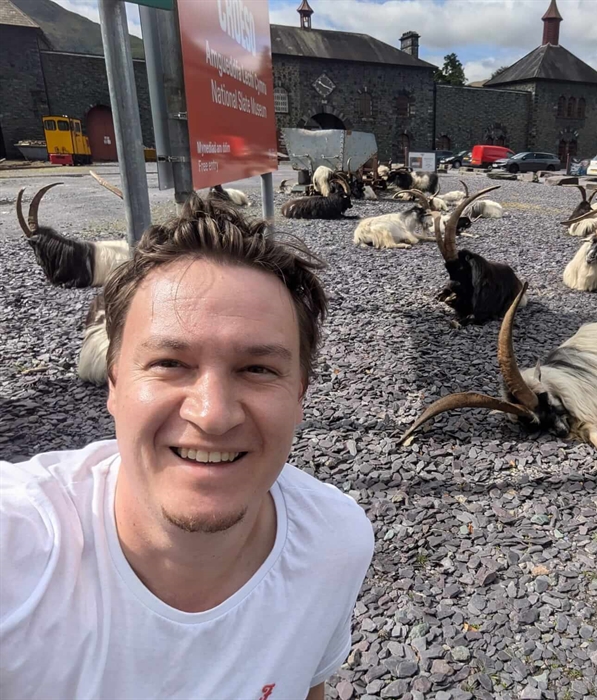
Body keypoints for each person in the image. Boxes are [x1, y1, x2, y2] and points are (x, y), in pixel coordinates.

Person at [0, 195, 375, 700]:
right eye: (170, 363)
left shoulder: (336, 543)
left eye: (258, 369)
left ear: (301, 395)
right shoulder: (20, 548)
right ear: (113, 383)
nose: (213, 414)